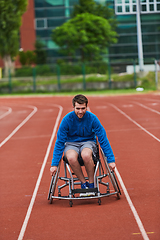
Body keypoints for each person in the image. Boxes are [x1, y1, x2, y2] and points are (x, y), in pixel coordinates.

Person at [50, 94, 116, 196]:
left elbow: (103, 139)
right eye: (78, 108)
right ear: (73, 107)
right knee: (71, 157)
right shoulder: (67, 120)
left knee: (85, 155)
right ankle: (83, 184)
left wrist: (110, 160)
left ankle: (91, 184)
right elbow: (59, 142)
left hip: (88, 142)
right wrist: (54, 164)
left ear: (86, 107)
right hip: (71, 143)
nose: (80, 112)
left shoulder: (93, 118)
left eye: (83, 108)